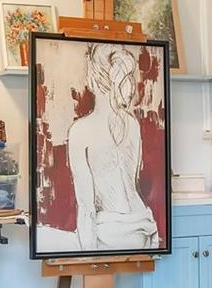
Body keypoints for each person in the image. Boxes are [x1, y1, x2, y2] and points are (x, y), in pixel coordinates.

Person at [67, 44, 161, 251]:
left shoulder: (79, 131)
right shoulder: (132, 124)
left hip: (111, 232)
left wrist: (87, 257)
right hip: (144, 225)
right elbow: (132, 181)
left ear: (92, 79)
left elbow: (86, 208)